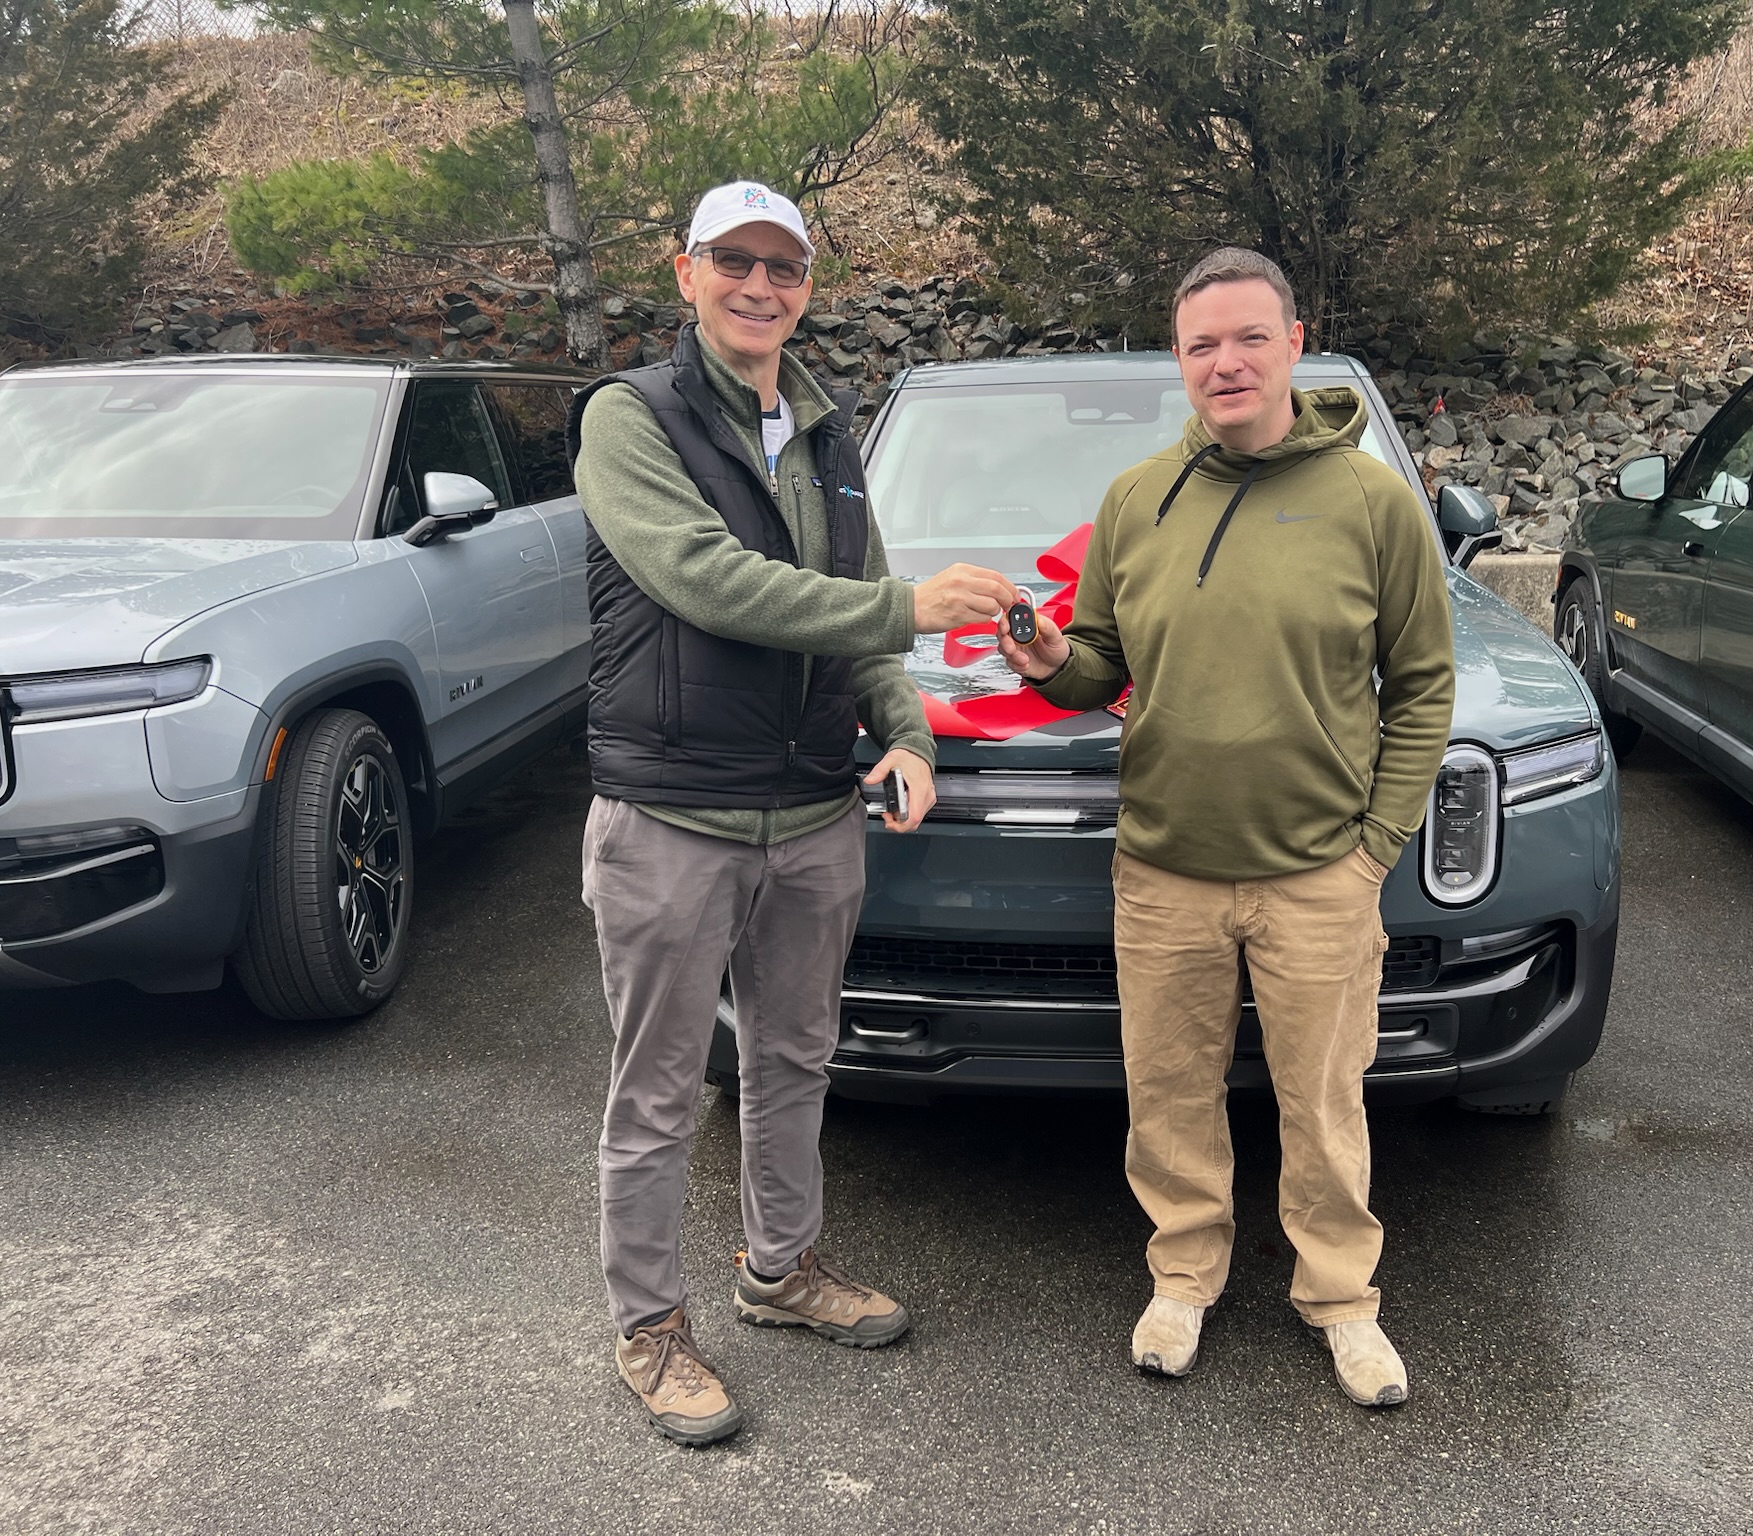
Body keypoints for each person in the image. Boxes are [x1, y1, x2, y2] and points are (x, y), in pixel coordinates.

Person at [569, 179, 1016, 1446]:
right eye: (735, 261)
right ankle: (649, 1329)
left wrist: (912, 731)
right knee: (656, 1090)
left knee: (792, 1060)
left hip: (812, 813)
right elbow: (708, 583)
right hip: (673, 813)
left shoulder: (826, 431)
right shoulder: (630, 419)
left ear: (808, 287)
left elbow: (855, 597)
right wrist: (911, 615)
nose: (760, 286)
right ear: (685, 272)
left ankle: (779, 1270)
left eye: (785, 267)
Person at [997, 248, 1455, 1408]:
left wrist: (1373, 853)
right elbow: (1099, 664)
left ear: (1294, 344)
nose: (1226, 362)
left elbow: (1423, 688)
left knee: (1323, 1101)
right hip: (1162, 868)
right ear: (1179, 360)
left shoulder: (1370, 502)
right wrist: (1051, 660)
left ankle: (1342, 1302)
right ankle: (1182, 1277)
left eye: (1249, 337)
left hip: (1317, 873)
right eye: (1201, 345)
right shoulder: (1135, 500)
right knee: (1166, 1094)